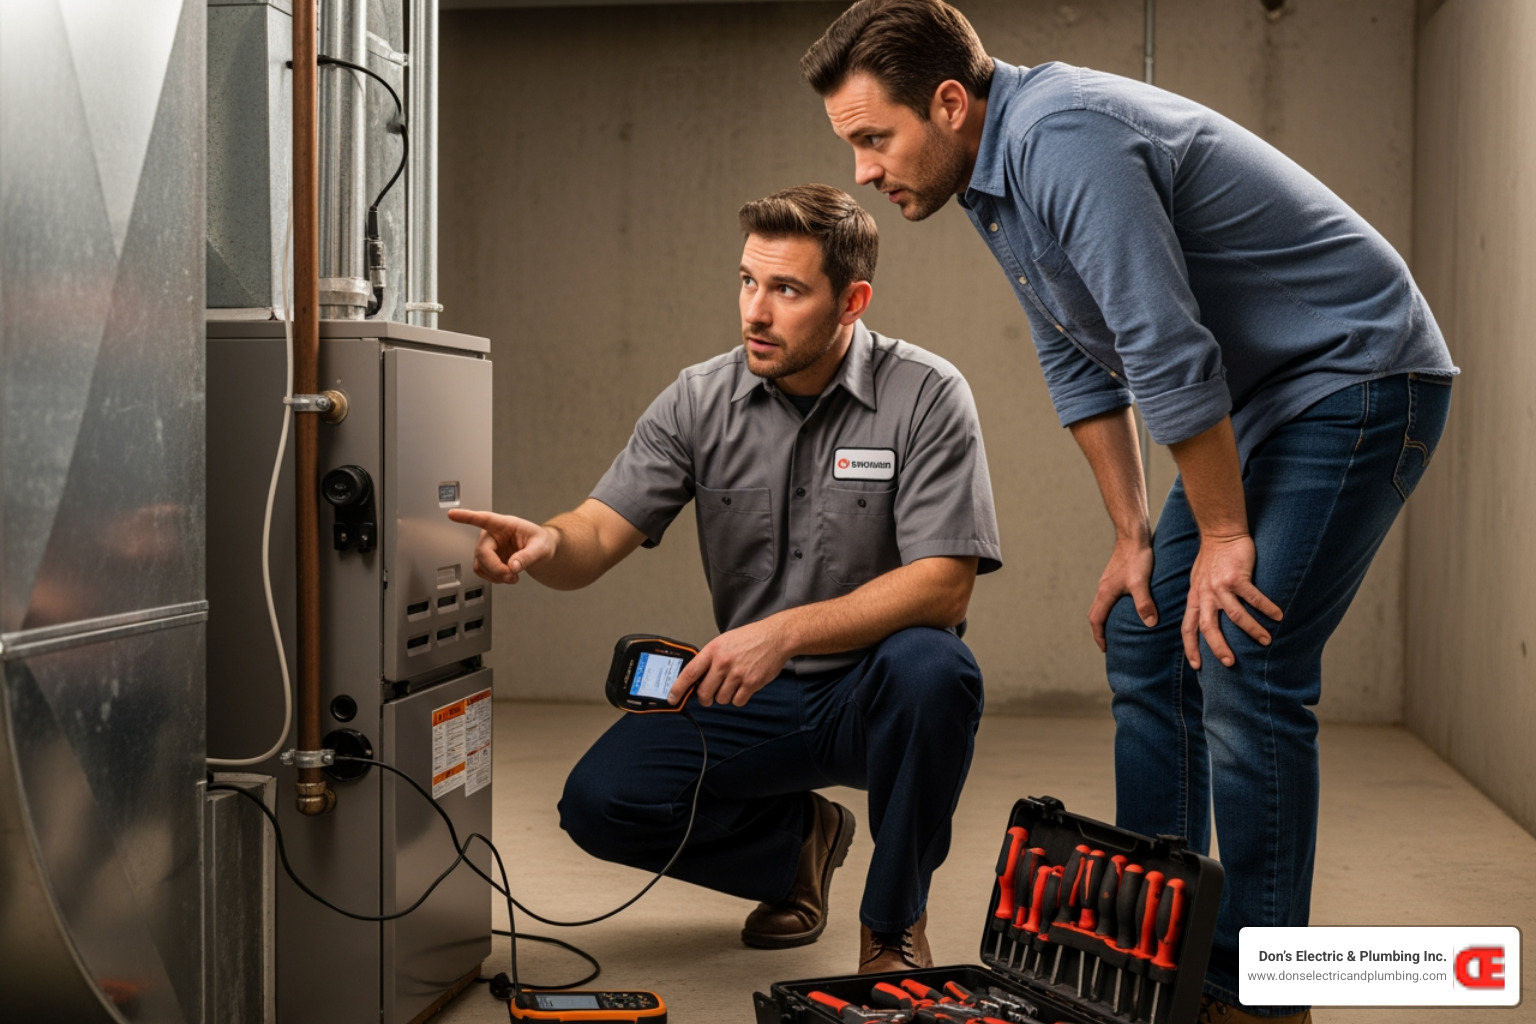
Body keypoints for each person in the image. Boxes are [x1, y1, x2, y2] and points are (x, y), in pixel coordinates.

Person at [802, 2, 1455, 1020]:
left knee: (1248, 654)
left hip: (1355, 372)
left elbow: (1163, 345)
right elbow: (1078, 353)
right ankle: (1162, 959)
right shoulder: (989, 176)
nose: (864, 172)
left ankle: (1254, 994)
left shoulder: (1063, 136)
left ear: (947, 102)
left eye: (873, 139)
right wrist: (1134, 537)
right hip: (1258, 400)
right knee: (1150, 637)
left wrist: (1226, 537)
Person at [449, 183, 1002, 974]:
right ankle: (796, 851)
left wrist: (783, 633)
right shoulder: (699, 399)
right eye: (747, 280)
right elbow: (597, 533)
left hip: (875, 692)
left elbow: (944, 585)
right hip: (752, 694)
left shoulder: (927, 395)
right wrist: (546, 542)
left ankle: (891, 925)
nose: (755, 311)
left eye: (786, 290)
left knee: (937, 668)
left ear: (852, 301)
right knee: (600, 803)